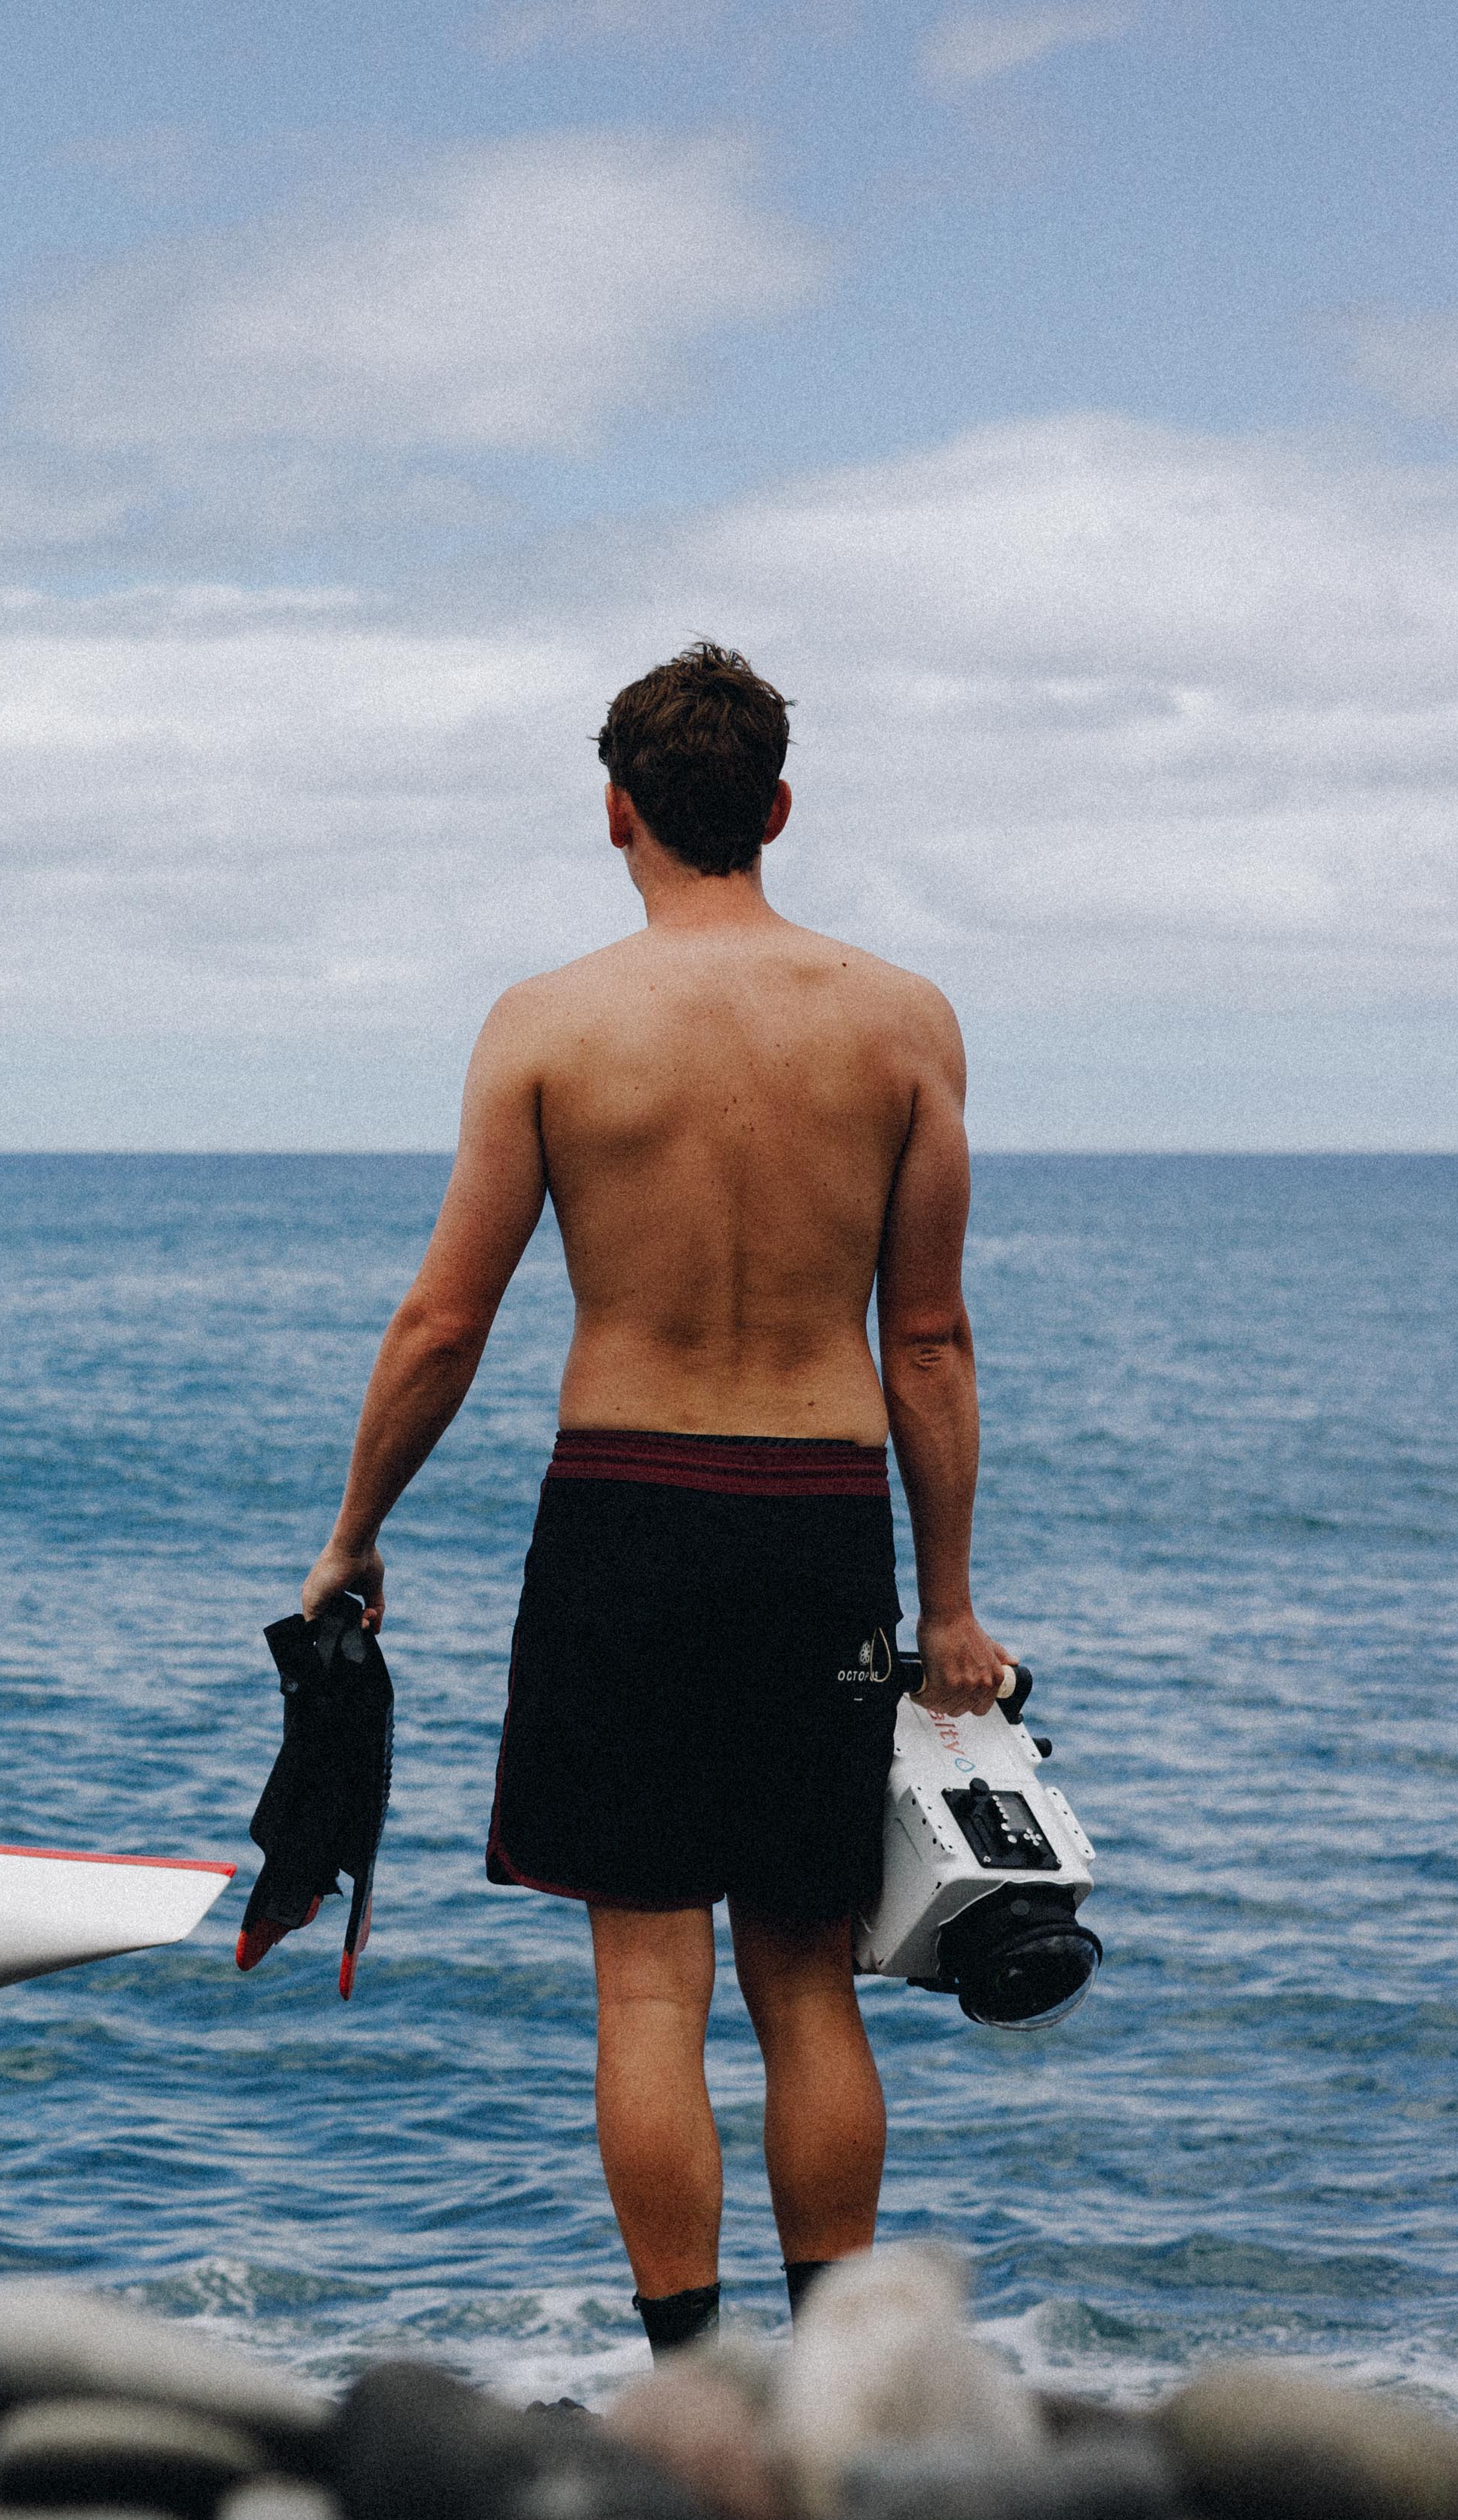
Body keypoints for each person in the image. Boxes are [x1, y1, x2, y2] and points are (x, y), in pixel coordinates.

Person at [299, 643, 1015, 2351]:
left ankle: (691, 2379)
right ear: (774, 808)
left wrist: (352, 1535)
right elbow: (928, 1341)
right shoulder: (902, 1020)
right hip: (816, 1513)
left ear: (614, 808)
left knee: (647, 1981)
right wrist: (951, 1609)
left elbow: (443, 1320)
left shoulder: (551, 1023)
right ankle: (837, 2374)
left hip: (627, 1510)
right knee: (806, 1971)